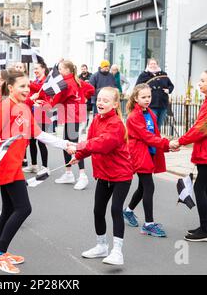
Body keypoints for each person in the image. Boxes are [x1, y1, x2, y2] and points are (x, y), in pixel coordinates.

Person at [0, 69, 72, 274]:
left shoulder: (23, 107)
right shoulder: (6, 105)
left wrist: (65, 143)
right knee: (24, 209)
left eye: (27, 86)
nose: (26, 89)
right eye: (22, 86)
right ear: (11, 87)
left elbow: (40, 134)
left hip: (14, 165)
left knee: (8, 209)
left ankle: (0, 253)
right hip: (5, 164)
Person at [69, 87, 133, 266]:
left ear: (114, 104)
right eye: (99, 99)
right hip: (103, 174)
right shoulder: (96, 119)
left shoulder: (117, 124)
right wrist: (77, 156)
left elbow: (103, 144)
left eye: (106, 100)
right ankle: (101, 246)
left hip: (121, 174)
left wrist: (79, 147)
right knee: (98, 210)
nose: (100, 103)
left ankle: (117, 251)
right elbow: (90, 142)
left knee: (115, 209)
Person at [170, 70, 207, 242]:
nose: (199, 82)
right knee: (205, 189)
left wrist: (179, 141)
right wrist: (181, 141)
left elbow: (200, 130)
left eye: (203, 80)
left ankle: (206, 230)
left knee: (200, 188)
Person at [123, 84, 171, 237]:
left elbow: (153, 135)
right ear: (136, 98)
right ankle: (148, 224)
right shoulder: (133, 117)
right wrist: (165, 144)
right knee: (149, 186)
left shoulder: (150, 113)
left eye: (149, 96)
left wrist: (165, 145)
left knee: (143, 187)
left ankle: (128, 211)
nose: (147, 100)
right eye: (143, 97)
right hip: (139, 154)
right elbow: (146, 136)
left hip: (150, 152)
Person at [52, 60, 90, 190]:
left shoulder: (66, 84)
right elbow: (91, 89)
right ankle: (68, 173)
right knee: (67, 143)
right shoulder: (78, 81)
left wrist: (44, 103)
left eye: (61, 69)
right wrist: (83, 99)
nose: (59, 71)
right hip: (75, 115)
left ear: (68, 70)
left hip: (72, 116)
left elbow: (57, 100)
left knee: (73, 145)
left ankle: (83, 175)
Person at [23, 62, 51, 174]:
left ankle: (45, 167)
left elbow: (48, 97)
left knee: (41, 140)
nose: (35, 70)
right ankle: (34, 165)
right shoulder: (35, 82)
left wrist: (41, 104)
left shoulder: (47, 83)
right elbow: (31, 94)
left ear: (43, 69)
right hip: (32, 114)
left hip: (43, 115)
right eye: (34, 69)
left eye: (37, 68)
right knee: (32, 140)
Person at [135, 58, 174, 129]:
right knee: (152, 124)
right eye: (151, 64)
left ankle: (157, 138)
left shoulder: (163, 75)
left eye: (154, 64)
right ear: (148, 65)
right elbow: (137, 87)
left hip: (163, 103)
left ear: (157, 65)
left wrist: (168, 90)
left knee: (159, 125)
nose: (153, 65)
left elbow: (171, 85)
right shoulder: (143, 75)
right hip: (151, 104)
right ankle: (152, 138)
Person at [79, 64, 93, 132]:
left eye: (84, 69)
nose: (83, 70)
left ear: (87, 69)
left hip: (88, 98)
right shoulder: (79, 77)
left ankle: (84, 128)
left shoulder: (91, 76)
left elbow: (92, 86)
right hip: (81, 98)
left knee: (87, 114)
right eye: (82, 69)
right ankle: (82, 127)